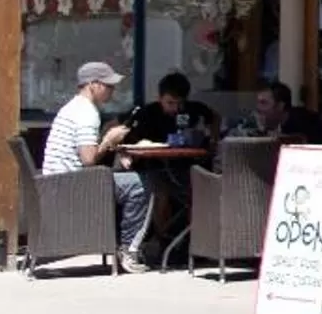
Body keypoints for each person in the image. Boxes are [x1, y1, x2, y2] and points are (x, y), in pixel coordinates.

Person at [41, 61, 151, 268]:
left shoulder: (73, 107)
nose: (112, 90)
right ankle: (128, 250)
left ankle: (121, 244)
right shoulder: (86, 113)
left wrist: (110, 143)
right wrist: (109, 140)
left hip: (56, 183)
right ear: (93, 84)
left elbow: (84, 152)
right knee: (141, 184)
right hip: (72, 187)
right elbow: (89, 160)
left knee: (123, 178)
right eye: (108, 85)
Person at [128, 71, 221, 145]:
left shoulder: (192, 109)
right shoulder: (147, 113)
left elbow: (214, 116)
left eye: (180, 103)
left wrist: (213, 139)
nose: (175, 108)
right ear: (160, 98)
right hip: (153, 162)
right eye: (170, 103)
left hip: (186, 160)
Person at [241, 80, 322, 144]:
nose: (258, 108)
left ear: (280, 106)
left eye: (264, 103)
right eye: (257, 103)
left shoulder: (304, 125)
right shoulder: (266, 123)